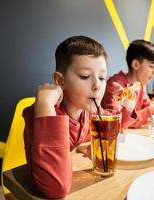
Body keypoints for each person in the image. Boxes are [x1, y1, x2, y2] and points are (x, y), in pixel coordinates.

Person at [22, 36, 108, 198]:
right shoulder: (43, 115)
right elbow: (56, 187)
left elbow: (112, 123)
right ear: (60, 81)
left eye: (102, 77)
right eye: (84, 76)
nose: (98, 86)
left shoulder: (90, 111)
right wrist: (45, 105)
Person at [101, 39, 154, 129]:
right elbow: (115, 124)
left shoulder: (140, 85)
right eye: (152, 66)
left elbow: (147, 107)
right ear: (136, 64)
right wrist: (153, 109)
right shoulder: (116, 86)